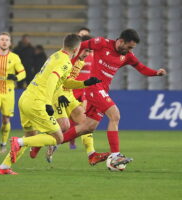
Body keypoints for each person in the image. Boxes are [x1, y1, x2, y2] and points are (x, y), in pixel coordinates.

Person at [0, 34, 101, 175]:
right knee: (58, 138)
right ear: (76, 49)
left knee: (30, 137)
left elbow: (63, 82)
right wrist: (48, 103)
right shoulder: (65, 62)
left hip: (26, 98)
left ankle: (4, 167)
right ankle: (18, 142)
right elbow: (52, 79)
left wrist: (84, 83)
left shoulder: (56, 55)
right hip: (37, 101)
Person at [59, 29, 167, 162]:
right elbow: (79, 46)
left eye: (131, 48)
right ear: (121, 41)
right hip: (93, 86)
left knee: (88, 126)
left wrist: (156, 73)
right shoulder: (101, 43)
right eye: (128, 47)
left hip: (103, 90)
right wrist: (69, 63)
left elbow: (141, 68)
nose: (129, 50)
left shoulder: (127, 56)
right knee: (115, 115)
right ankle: (115, 156)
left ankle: (54, 142)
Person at [30, 35, 110, 165]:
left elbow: (69, 81)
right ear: (78, 48)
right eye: (86, 50)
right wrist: (60, 92)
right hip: (57, 95)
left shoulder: (81, 61)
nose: (88, 54)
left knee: (86, 124)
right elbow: (55, 78)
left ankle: (91, 155)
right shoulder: (67, 59)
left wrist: (85, 85)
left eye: (90, 51)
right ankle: (36, 144)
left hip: (68, 94)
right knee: (63, 126)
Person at [68, 27, 91, 149]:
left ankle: (89, 149)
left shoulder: (91, 55)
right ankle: (67, 140)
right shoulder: (72, 55)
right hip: (71, 88)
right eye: (81, 36)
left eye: (86, 36)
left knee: (84, 118)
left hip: (85, 90)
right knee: (69, 119)